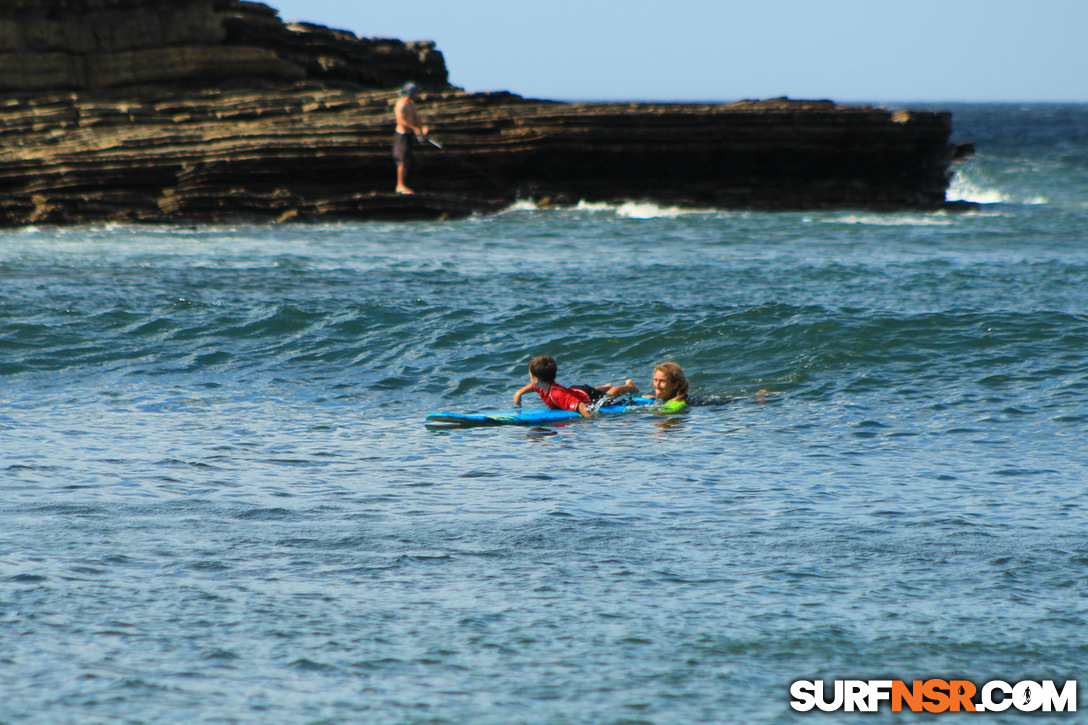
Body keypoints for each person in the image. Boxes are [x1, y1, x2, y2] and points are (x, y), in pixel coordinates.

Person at [513, 355, 639, 418]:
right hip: (575, 390)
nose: (530, 380)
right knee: (593, 390)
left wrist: (589, 419)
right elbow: (531, 387)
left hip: (585, 397)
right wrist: (519, 393)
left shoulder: (557, 395)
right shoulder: (541, 385)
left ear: (536, 379)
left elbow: (579, 405)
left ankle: (629, 386)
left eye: (530, 375)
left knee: (607, 397)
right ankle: (604, 386)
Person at [393, 82, 429, 194]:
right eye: (416, 92)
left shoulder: (411, 104)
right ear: (411, 92)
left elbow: (417, 119)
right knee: (402, 160)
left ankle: (403, 184)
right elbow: (401, 121)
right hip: (401, 135)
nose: (417, 94)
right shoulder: (401, 104)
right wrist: (414, 128)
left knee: (407, 160)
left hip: (408, 136)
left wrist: (423, 127)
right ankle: (400, 186)